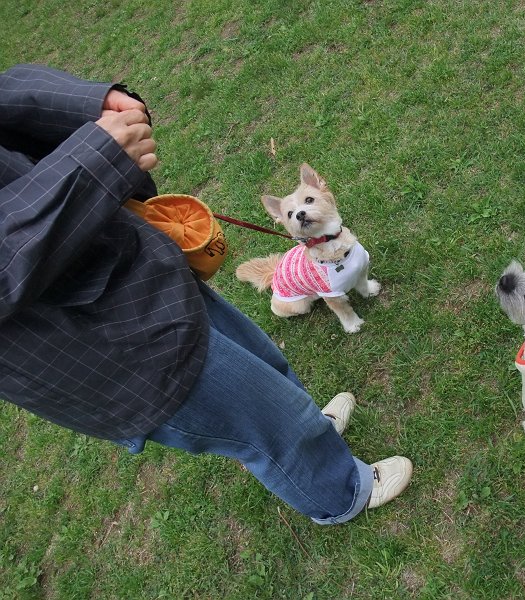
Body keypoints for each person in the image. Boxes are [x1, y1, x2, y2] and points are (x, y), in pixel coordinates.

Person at [0, 64, 412, 524]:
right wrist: (92, 164)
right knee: (261, 415)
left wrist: (85, 103)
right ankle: (343, 492)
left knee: (266, 366)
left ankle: (312, 428)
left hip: (138, 265)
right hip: (97, 338)